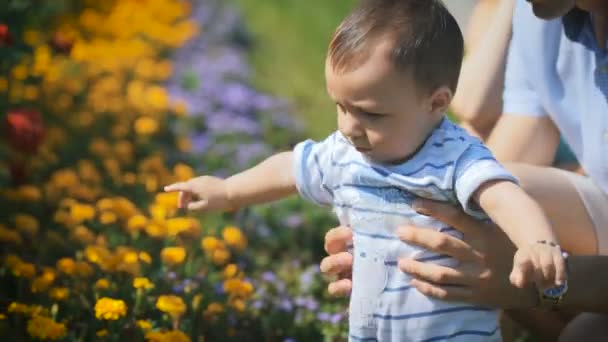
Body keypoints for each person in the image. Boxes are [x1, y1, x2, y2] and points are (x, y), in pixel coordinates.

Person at [164, 1, 584, 340]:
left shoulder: (453, 156)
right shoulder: (345, 151)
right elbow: (289, 167)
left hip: (451, 331)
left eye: (370, 114)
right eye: (340, 106)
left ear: (436, 103)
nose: (348, 126)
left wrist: (537, 241)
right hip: (371, 328)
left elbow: (505, 194)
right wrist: (227, 191)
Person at [321, 0, 608, 340]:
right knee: (472, 202)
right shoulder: (545, 20)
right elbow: (506, 154)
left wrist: (536, 284)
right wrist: (390, 238)